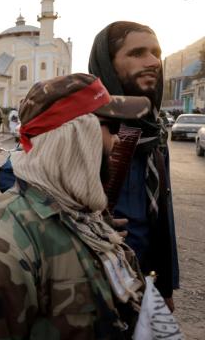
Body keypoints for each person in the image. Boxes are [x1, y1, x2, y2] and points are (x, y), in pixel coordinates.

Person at [0, 73, 152, 339]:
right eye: (113, 127)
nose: (118, 140)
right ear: (74, 138)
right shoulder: (3, 244)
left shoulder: (82, 215)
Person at [89, 21, 179, 310]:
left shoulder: (153, 131)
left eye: (156, 52)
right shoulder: (80, 127)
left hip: (143, 280)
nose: (153, 62)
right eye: (137, 53)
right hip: (90, 285)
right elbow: (18, 180)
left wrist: (164, 284)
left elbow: (162, 215)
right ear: (108, 63)